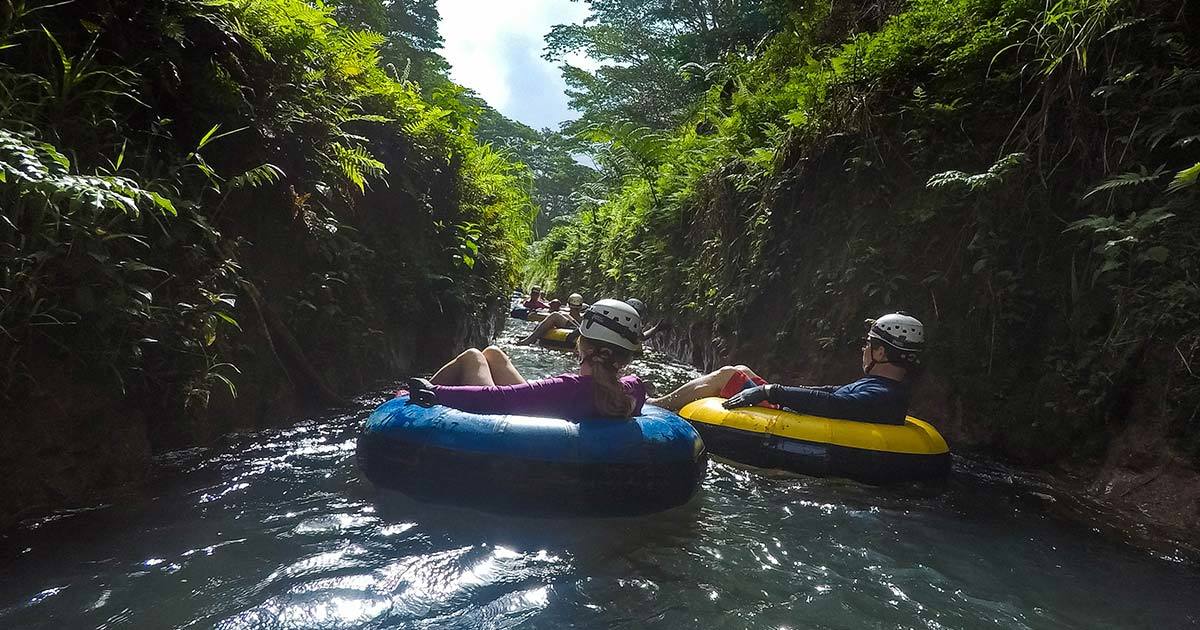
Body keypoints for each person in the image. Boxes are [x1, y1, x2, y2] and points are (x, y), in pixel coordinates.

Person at [647, 313, 925, 425]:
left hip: (799, 420)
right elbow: (832, 392)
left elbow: (836, 404)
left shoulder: (882, 395)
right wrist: (775, 390)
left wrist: (772, 391)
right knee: (742, 368)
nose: (864, 350)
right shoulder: (887, 389)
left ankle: (660, 404)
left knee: (729, 374)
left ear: (880, 352)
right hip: (799, 411)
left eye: (868, 344)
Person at [408, 299, 647, 418]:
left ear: (584, 346)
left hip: (514, 424)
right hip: (549, 413)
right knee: (493, 353)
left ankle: (410, 404)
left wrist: (435, 392)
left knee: (473, 356)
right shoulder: (634, 389)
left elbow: (497, 400)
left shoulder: (567, 389)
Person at [516, 292, 588, 345]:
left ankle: (529, 340)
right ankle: (530, 337)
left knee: (555, 315)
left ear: (568, 304)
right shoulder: (567, 314)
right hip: (572, 325)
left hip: (574, 328)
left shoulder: (580, 316)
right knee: (559, 314)